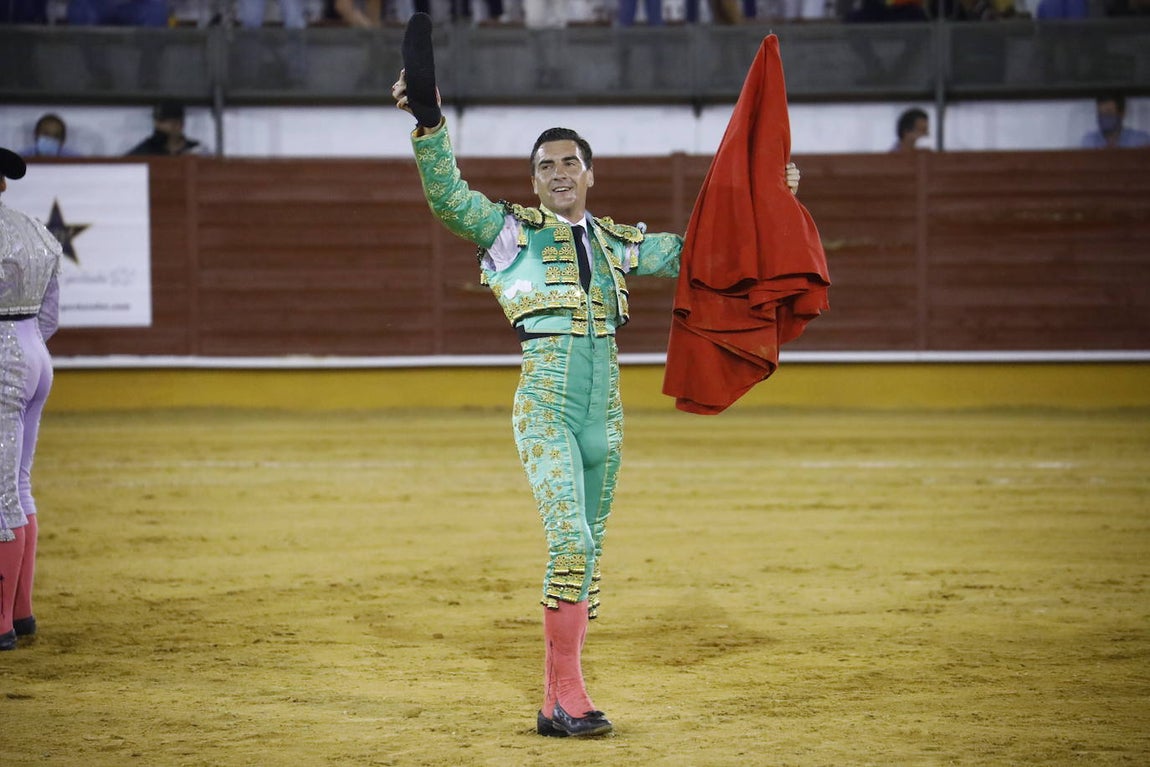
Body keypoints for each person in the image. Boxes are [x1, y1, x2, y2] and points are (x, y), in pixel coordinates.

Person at [391, 14, 800, 738]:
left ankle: (558, 701)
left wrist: (771, 192)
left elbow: (703, 250)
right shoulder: (510, 231)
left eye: (569, 163)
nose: (557, 174)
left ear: (589, 173)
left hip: (605, 414)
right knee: (570, 542)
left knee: (589, 556)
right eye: (546, 165)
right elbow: (449, 196)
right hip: (544, 403)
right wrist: (428, 122)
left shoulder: (617, 243)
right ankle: (568, 696)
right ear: (533, 180)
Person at [0, 147, 62, 651]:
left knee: (0, 492)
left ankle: (0, 622)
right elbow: (50, 318)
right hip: (35, 354)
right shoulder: (38, 230)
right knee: (18, 482)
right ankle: (20, 613)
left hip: (1, 358)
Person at [125, 102, 202, 157]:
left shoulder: (196, 150)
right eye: (156, 122)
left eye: (163, 121)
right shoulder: (145, 151)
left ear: (179, 125)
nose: (158, 126)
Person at [1081, 95, 1150, 149]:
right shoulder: (1089, 142)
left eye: (1108, 112)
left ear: (1121, 114)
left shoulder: (1139, 140)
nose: (1103, 117)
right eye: (1100, 113)